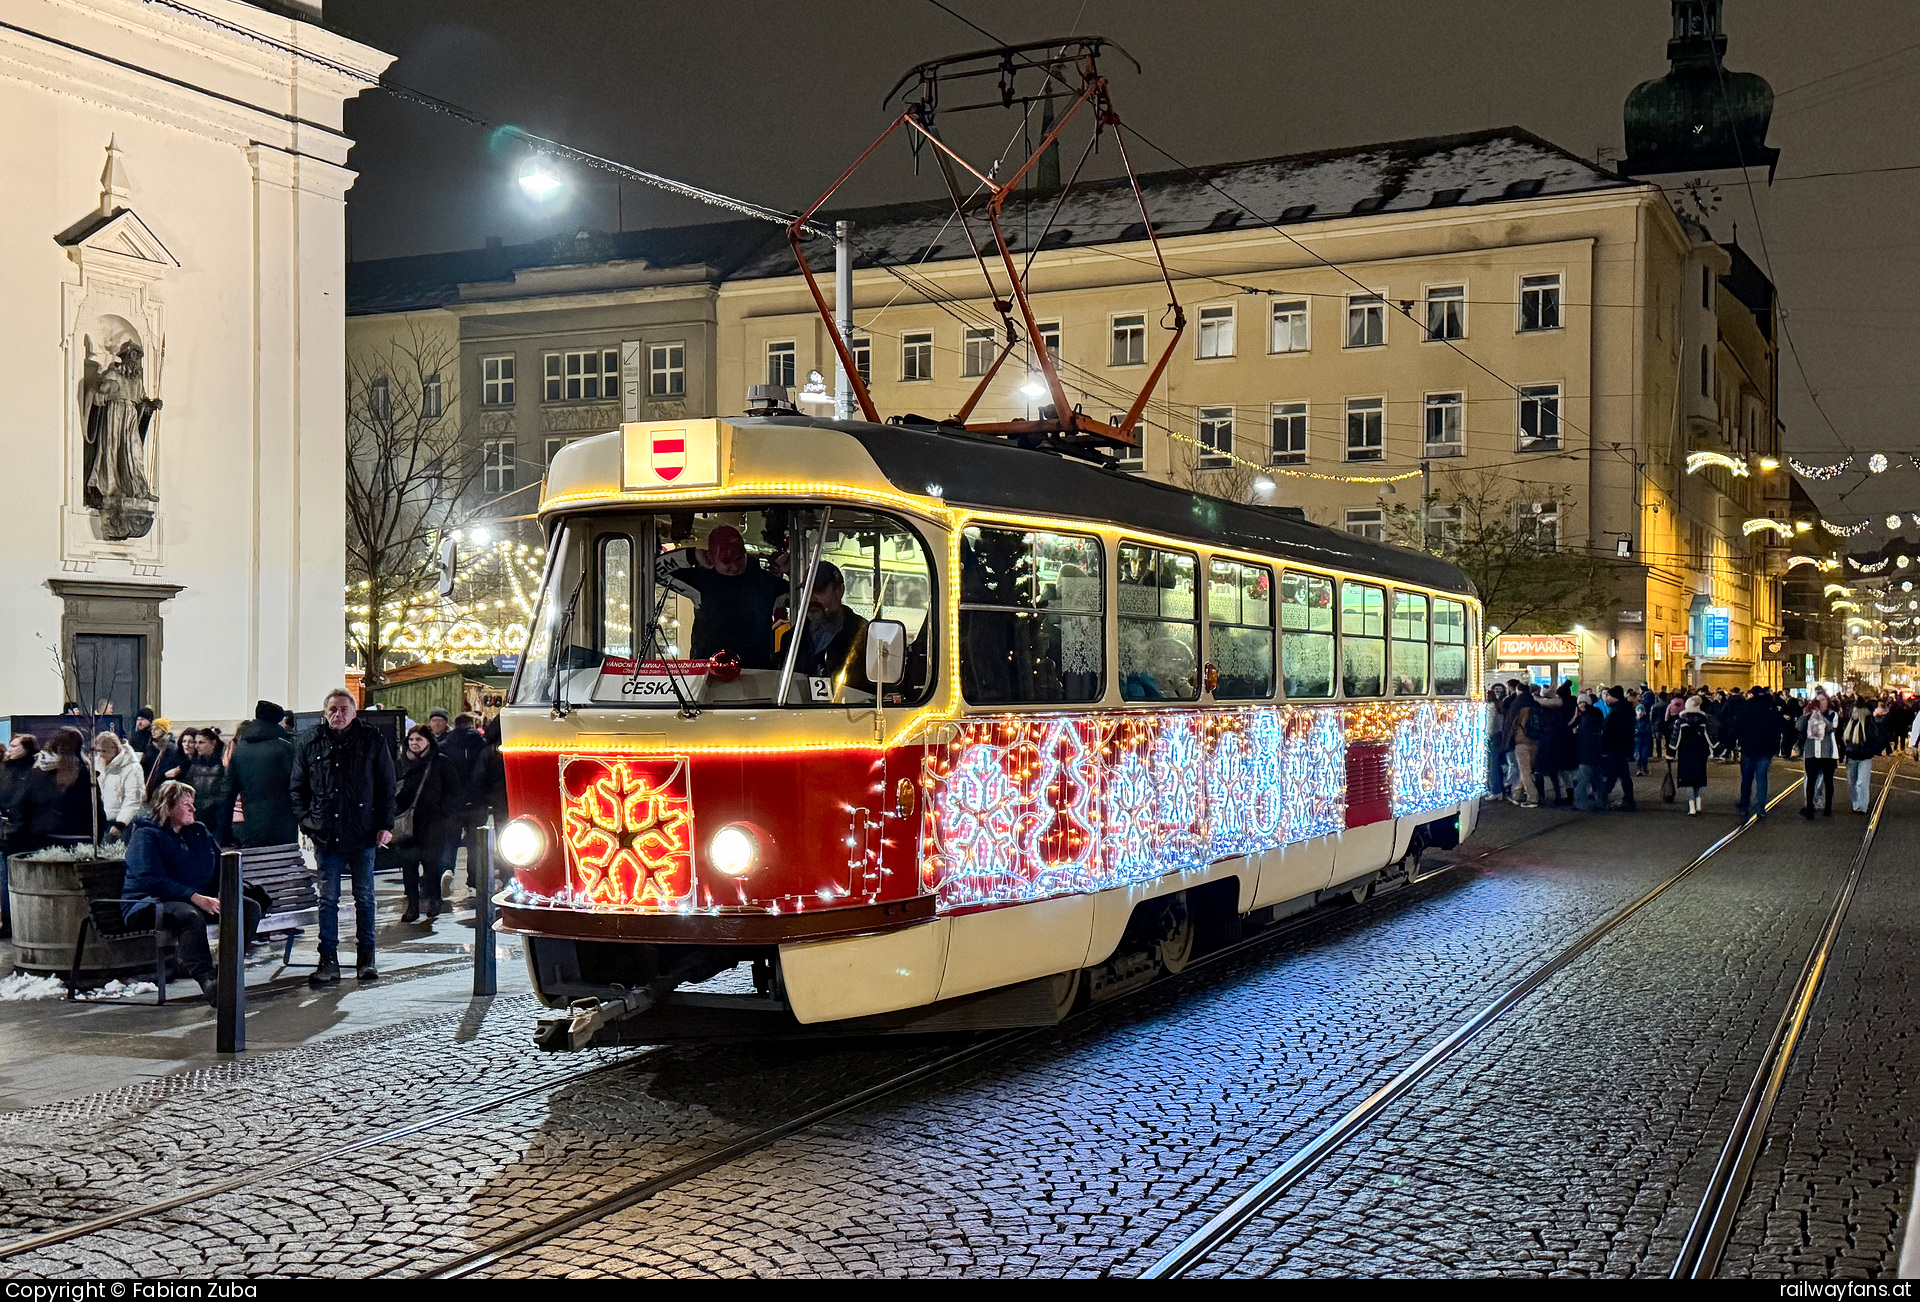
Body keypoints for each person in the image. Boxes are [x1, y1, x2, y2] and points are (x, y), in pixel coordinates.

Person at [121, 781, 263, 1005]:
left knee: (246, 907)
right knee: (189, 915)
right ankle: (208, 981)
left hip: (196, 899)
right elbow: (150, 878)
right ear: (168, 806)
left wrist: (222, 893)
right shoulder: (145, 835)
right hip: (150, 903)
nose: (193, 809)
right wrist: (195, 897)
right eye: (187, 804)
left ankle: (227, 972)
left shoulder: (198, 831)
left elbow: (219, 866)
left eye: (193, 804)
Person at [290, 688, 395, 986]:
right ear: (325, 713)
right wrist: (308, 822)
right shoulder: (310, 742)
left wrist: (385, 824)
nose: (338, 715)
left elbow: (387, 786)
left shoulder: (372, 740)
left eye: (343, 710)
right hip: (326, 834)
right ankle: (328, 961)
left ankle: (366, 960)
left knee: (365, 898)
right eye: (332, 710)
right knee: (328, 899)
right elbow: (297, 788)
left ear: (354, 712)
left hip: (362, 833)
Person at [676, 525, 789, 669]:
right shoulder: (700, 581)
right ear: (711, 557)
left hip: (754, 673)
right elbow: (650, 572)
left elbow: (804, 596)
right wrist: (693, 556)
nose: (735, 566)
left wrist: (790, 569)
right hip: (711, 672)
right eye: (727, 561)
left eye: (740, 558)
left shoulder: (766, 583)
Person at [394, 725, 459, 924]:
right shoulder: (401, 764)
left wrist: (443, 811)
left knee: (432, 865)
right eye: (411, 740)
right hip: (407, 823)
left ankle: (434, 900)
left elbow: (453, 790)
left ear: (428, 742)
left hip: (433, 823)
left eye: (419, 740)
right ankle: (413, 906)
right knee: (409, 865)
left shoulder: (440, 762)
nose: (414, 743)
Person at [14, 727, 98, 851]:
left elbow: (23, 807)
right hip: (81, 840)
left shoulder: (39, 773)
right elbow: (97, 811)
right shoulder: (87, 774)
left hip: (44, 839)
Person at [793, 561, 872, 690]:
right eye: (806, 591)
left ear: (839, 590)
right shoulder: (792, 638)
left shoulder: (864, 636)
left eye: (818, 589)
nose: (811, 598)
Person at [229, 700, 298, 847]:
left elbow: (228, 791)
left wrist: (224, 831)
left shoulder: (240, 749)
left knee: (255, 866)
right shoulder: (286, 747)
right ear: (279, 722)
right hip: (283, 825)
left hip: (249, 823)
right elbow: (298, 785)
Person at [0, 734, 39, 938]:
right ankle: (8, 921)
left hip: (25, 832)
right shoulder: (5, 770)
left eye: (15, 746)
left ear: (26, 749)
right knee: (5, 879)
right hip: (7, 833)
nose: (10, 749)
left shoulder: (33, 772)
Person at [1733, 686, 1786, 819]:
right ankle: (1761, 807)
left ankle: (1744, 805)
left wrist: (1734, 741)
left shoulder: (1745, 708)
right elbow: (1777, 729)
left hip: (1748, 748)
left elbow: (1737, 726)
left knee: (1746, 779)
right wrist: (1774, 748)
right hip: (1765, 749)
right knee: (1762, 779)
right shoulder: (1770, 708)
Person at [181, 727, 234, 845]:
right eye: (196, 742)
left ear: (213, 743)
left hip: (215, 819)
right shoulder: (193, 764)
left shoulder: (223, 765)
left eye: (201, 742)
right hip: (198, 816)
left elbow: (224, 794)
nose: (196, 746)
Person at [92, 731, 146, 838]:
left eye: (104, 751)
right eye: (98, 751)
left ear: (115, 748)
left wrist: (121, 823)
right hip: (103, 821)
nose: (101, 755)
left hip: (122, 823)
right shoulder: (98, 763)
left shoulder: (131, 768)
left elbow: (133, 798)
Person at [1799, 692, 1841, 819]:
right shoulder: (1809, 714)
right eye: (1818, 700)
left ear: (1827, 702)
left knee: (1828, 781)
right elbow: (1799, 726)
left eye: (1823, 700)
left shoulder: (1832, 714)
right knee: (1810, 780)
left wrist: (1820, 716)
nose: (1821, 703)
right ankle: (1810, 808)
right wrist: (1805, 715)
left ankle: (1828, 807)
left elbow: (1830, 728)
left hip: (1827, 753)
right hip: (1811, 752)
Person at [1673, 696, 1715, 815]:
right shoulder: (1704, 721)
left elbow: (1674, 739)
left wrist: (1670, 754)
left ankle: (1691, 806)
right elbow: (1711, 737)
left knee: (1688, 780)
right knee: (1698, 778)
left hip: (1685, 754)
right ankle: (1698, 801)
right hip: (1701, 753)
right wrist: (1717, 749)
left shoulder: (1681, 721)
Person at [1599, 685, 1638, 811]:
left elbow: (1609, 730)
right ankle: (1607, 795)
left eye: (1609, 695)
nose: (1607, 698)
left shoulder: (1617, 712)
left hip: (1616, 747)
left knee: (1618, 773)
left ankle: (1608, 796)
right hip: (1621, 747)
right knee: (1618, 773)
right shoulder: (1625, 709)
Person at [1842, 700, 1882, 814]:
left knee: (1861, 783)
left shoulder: (1869, 725)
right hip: (1851, 757)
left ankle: (1862, 805)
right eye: (1852, 712)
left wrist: (1869, 751)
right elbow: (1843, 739)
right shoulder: (1848, 723)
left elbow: (1876, 740)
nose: (1853, 714)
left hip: (1864, 757)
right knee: (1851, 783)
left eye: (1855, 712)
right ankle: (1856, 803)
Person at [1505, 688, 1540, 808]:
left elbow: (1513, 725)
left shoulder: (1520, 707)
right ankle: (1517, 795)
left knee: (1525, 771)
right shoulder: (1537, 706)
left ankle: (1532, 797)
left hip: (1522, 742)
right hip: (1535, 742)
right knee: (1525, 770)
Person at [1573, 691, 1607, 811]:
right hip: (1595, 753)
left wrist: (1577, 733)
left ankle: (1580, 804)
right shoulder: (1595, 715)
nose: (1580, 705)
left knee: (1582, 780)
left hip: (1586, 753)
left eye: (1582, 702)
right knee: (1596, 779)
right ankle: (1601, 802)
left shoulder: (1587, 718)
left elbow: (1585, 737)